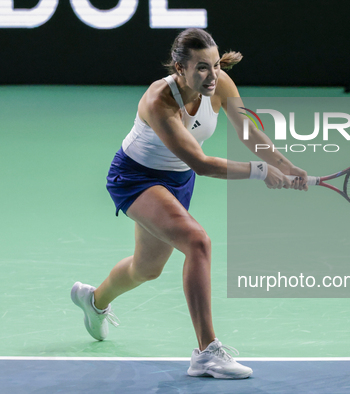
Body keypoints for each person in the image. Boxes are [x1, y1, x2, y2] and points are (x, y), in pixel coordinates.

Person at [71, 28, 308, 379]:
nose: (212, 76)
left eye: (214, 65)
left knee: (146, 268)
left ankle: (94, 301)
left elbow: (247, 130)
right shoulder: (159, 101)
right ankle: (207, 353)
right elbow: (202, 162)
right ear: (179, 68)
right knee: (198, 242)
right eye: (201, 68)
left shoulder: (220, 84)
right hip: (136, 178)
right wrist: (260, 172)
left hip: (178, 181)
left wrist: (285, 165)